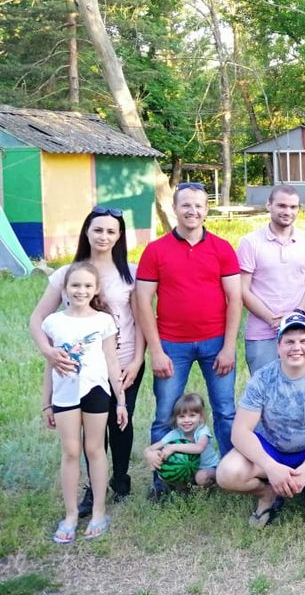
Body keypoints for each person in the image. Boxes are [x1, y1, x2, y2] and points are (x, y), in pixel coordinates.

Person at [30, 205, 142, 513]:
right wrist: (48, 351)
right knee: (93, 428)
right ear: (87, 232)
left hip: (123, 360)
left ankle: (121, 479)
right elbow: (37, 319)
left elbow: (142, 321)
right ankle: (94, 488)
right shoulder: (67, 274)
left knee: (121, 421)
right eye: (98, 230)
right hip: (83, 367)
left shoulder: (131, 273)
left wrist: (137, 360)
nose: (103, 236)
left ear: (119, 236)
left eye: (111, 231)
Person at [136, 182, 241, 499]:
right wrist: (156, 351)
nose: (192, 211)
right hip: (172, 345)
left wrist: (228, 347)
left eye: (198, 205)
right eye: (185, 205)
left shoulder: (222, 248)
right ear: (175, 208)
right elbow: (143, 302)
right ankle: (164, 482)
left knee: (225, 411)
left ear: (206, 209)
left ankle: (230, 475)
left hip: (215, 343)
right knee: (165, 413)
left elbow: (235, 299)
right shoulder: (156, 250)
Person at [216, 311, 305, 527]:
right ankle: (267, 493)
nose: (296, 347)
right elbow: (240, 431)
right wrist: (270, 467)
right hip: (272, 447)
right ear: (278, 346)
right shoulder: (262, 378)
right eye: (289, 342)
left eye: (303, 341)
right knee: (227, 474)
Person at [40, 262, 127, 543]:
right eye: (75, 285)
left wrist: (121, 401)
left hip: (96, 391)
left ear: (96, 289)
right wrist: (46, 403)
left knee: (95, 449)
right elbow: (49, 365)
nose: (81, 291)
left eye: (88, 285)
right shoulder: (53, 322)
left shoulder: (103, 321)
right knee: (70, 451)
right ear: (65, 289)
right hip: (65, 394)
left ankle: (99, 511)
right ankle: (71, 514)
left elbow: (112, 362)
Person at [237, 185, 305, 373]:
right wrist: (272, 319)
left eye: (293, 207)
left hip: (301, 330)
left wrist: (296, 315)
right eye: (282, 206)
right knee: (264, 387)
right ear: (269, 205)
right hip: (262, 333)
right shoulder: (250, 242)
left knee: (303, 386)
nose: (287, 211)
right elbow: (242, 289)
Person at [143, 393, 219, 489]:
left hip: (208, 468)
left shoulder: (202, 430)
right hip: (187, 470)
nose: (186, 420)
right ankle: (185, 490)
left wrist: (173, 447)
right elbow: (149, 449)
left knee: (201, 477)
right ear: (176, 418)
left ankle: (210, 487)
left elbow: (199, 448)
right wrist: (150, 454)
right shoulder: (175, 433)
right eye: (182, 416)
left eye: (192, 415)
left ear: (200, 417)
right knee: (162, 474)